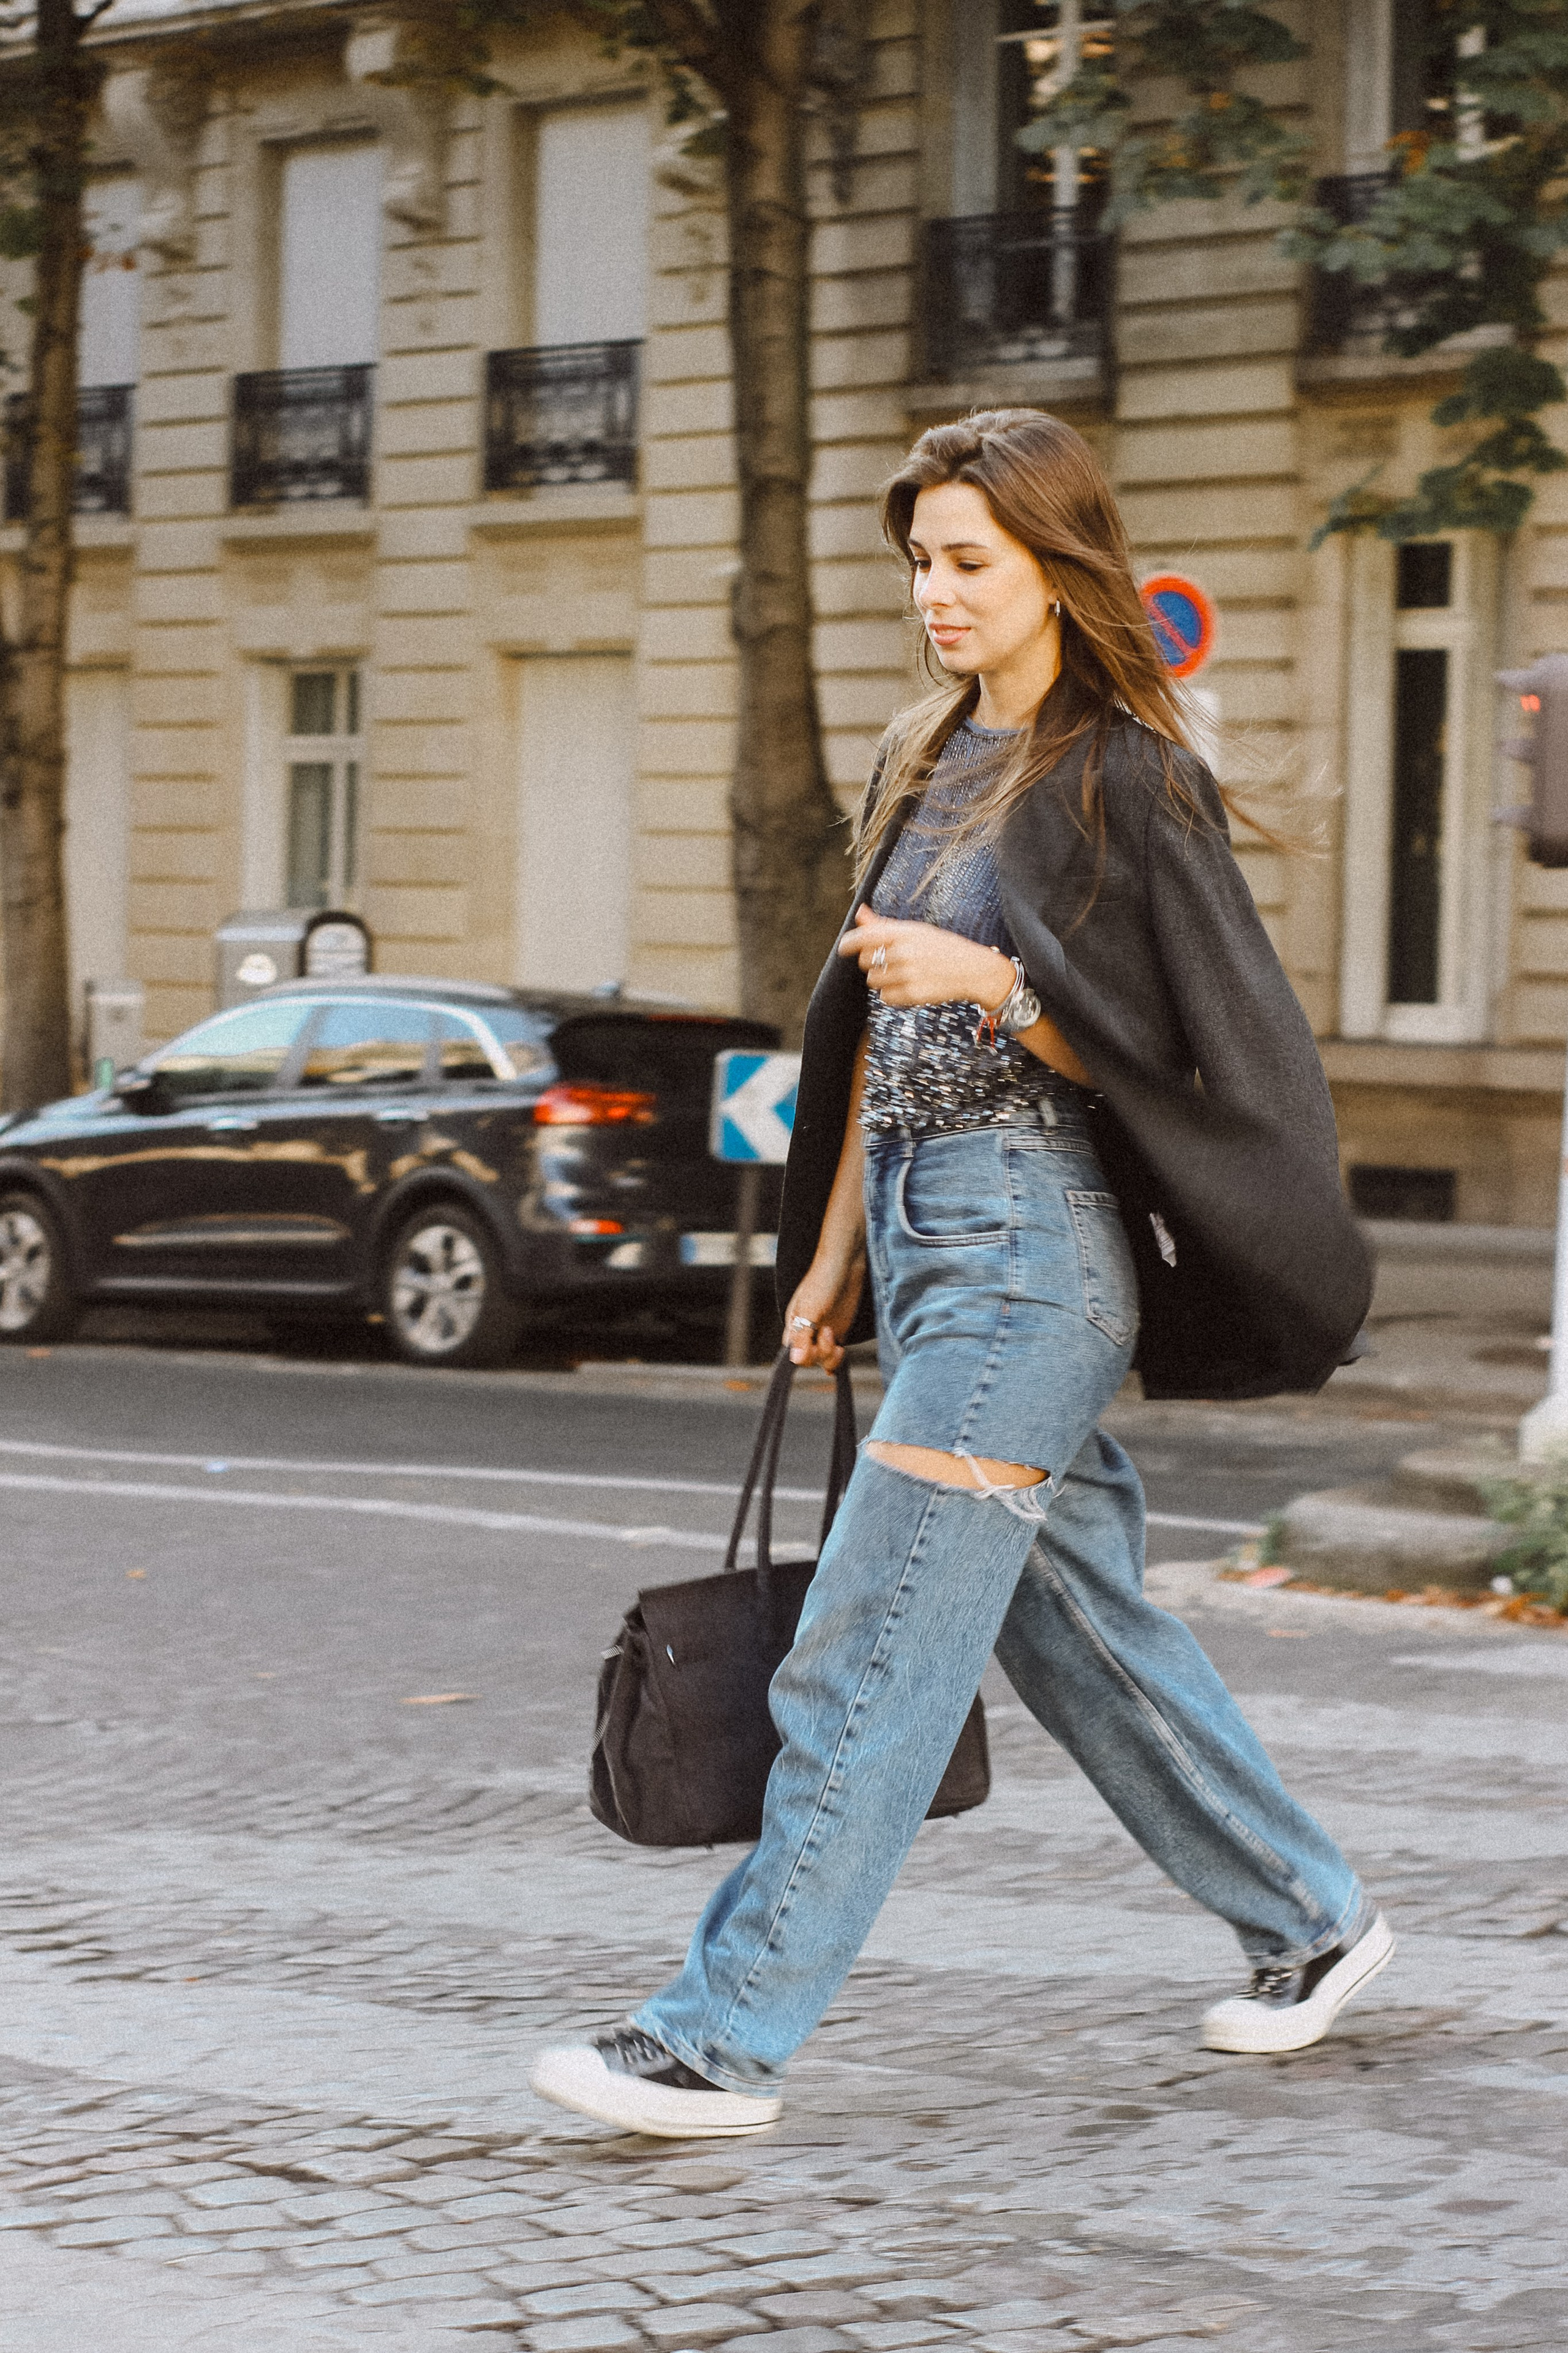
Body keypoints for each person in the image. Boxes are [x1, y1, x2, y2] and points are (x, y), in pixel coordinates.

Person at [532, 408, 1391, 2141]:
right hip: (928, 1242)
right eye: (919, 557)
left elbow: (1209, 1055)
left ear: (1056, 569)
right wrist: (834, 1258)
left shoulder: (1125, 776)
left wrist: (999, 987)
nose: (934, 590)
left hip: (1033, 1256)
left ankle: (720, 2034)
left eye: (968, 560)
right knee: (1078, 1635)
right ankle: (1313, 1919)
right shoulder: (924, 764)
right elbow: (866, 1041)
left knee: (869, 1643)